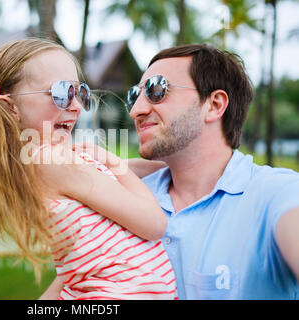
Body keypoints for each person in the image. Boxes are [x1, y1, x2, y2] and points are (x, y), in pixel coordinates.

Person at [0, 38, 177, 300]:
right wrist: (111, 160)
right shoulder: (52, 160)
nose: (76, 105)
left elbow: (79, 264)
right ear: (11, 107)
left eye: (79, 92)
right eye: (61, 93)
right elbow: (154, 224)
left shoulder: (37, 162)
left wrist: (175, 162)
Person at [124, 44, 298, 299]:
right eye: (134, 95)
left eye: (156, 89)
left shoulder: (275, 195)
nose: (135, 110)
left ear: (214, 105)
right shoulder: (130, 196)